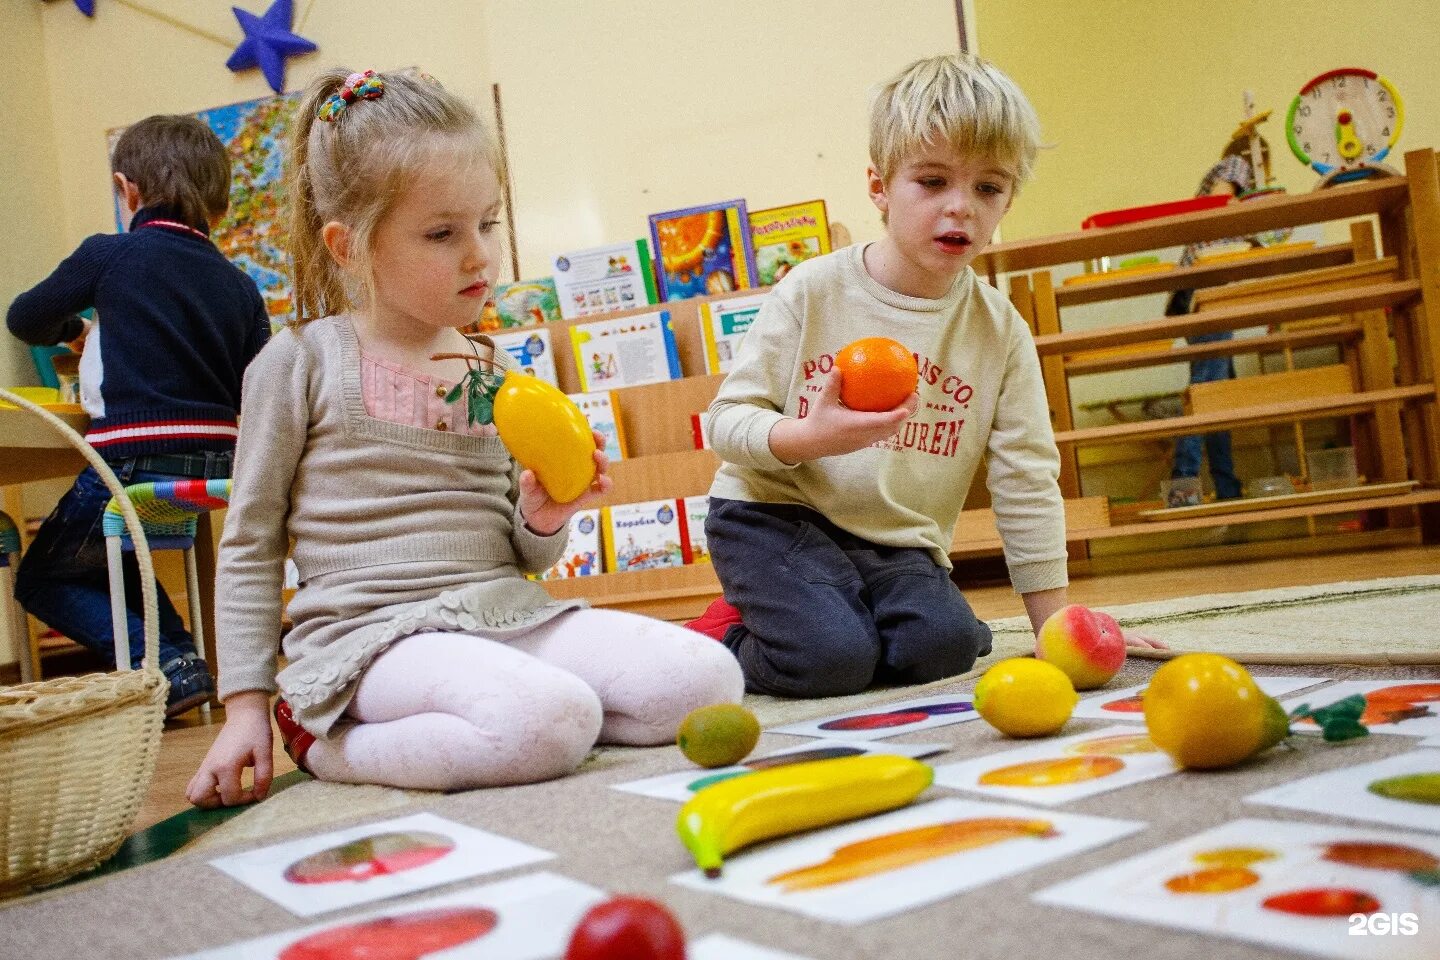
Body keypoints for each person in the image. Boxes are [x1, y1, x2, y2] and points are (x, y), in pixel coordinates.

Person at [187, 69, 741, 807]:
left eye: (488, 221)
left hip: (503, 611)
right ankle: (330, 746)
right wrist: (246, 707)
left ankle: (516, 721)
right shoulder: (300, 361)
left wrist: (546, 517)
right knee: (548, 720)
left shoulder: (494, 368)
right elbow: (251, 543)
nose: (480, 254)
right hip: (371, 643)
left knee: (706, 677)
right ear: (349, 246)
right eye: (443, 233)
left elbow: (527, 554)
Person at [686, 54, 1163, 698]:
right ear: (880, 186)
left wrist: (1055, 625)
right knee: (831, 662)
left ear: (1008, 199)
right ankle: (722, 635)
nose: (961, 208)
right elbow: (724, 423)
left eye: (989, 188)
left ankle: (846, 613)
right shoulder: (813, 290)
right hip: (771, 515)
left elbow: (1026, 474)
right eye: (933, 182)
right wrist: (808, 438)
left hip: (894, 539)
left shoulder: (999, 330)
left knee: (945, 648)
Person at [6, 114, 269, 715]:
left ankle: (166, 664)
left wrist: (73, 330)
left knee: (41, 577)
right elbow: (258, 384)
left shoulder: (110, 256)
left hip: (135, 453)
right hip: (218, 462)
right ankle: (181, 660)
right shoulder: (240, 286)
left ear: (128, 191)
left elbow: (25, 318)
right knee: (114, 552)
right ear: (220, 207)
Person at [1166, 142, 1266, 504]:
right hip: (1210, 289)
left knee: (1217, 397)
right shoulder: (1237, 165)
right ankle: (1184, 485)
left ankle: (1227, 487)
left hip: (1201, 291)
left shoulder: (1219, 176)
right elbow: (1223, 204)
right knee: (1207, 393)